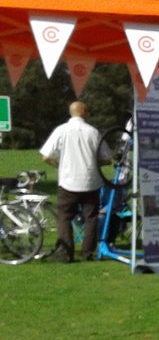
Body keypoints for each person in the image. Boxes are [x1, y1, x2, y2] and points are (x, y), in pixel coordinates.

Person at [39, 101, 110, 262]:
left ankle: (66, 252)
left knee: (64, 217)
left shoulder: (61, 130)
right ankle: (88, 251)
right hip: (91, 181)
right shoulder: (93, 132)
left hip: (68, 181)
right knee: (91, 217)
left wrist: (58, 166)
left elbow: (46, 156)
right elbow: (107, 158)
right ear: (85, 113)